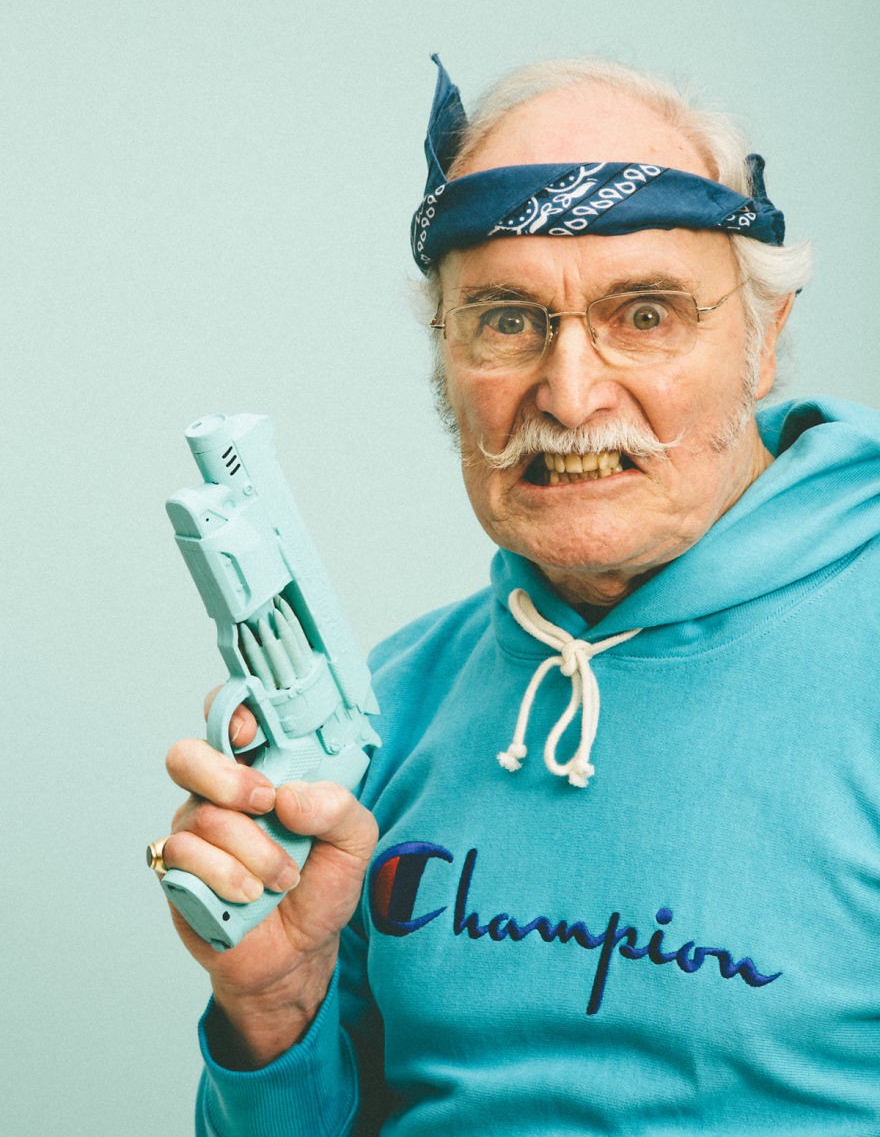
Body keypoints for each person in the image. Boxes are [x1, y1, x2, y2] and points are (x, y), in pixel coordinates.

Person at [151, 55, 880, 1133]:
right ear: (444, 358)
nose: (570, 395)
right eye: (505, 320)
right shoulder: (389, 711)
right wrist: (273, 1012)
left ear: (763, 342)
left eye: (645, 314)